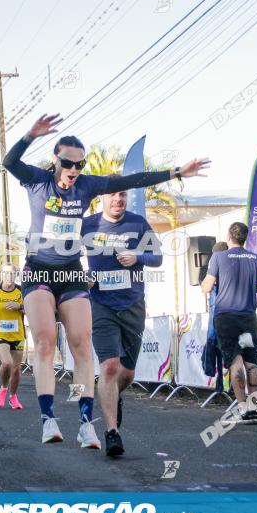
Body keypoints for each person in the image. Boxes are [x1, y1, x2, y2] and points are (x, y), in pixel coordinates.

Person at [4, 113, 209, 446]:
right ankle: (48, 419)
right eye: (68, 164)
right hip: (39, 269)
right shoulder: (37, 180)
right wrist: (30, 134)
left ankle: (86, 423)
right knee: (43, 341)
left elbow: (132, 180)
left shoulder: (88, 185)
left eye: (80, 165)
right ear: (56, 160)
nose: (74, 171)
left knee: (82, 345)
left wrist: (176, 172)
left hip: (71, 271)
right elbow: (9, 161)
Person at [82, 186, 162, 457]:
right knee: (109, 366)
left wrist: (137, 257)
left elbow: (158, 256)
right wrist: (81, 278)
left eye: (123, 195)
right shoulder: (88, 224)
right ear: (101, 197)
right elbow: (65, 257)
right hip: (100, 304)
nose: (118, 199)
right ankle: (111, 433)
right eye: (112, 195)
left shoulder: (137, 223)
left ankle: (114, 397)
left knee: (126, 374)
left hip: (132, 305)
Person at [200, 222, 257, 425]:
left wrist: (210, 283)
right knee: (250, 361)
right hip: (248, 317)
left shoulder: (219, 257)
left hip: (226, 317)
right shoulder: (255, 258)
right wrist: (251, 287)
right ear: (244, 238)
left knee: (235, 361)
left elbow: (207, 287)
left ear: (229, 236)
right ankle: (254, 407)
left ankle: (243, 409)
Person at [0, 264, 26, 410]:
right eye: (6, 273)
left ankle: (13, 397)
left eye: (12, 274)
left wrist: (19, 307)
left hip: (18, 334)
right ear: (1, 275)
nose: (9, 276)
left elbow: (30, 309)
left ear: (15, 275)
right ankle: (3, 389)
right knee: (7, 363)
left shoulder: (22, 291)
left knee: (16, 369)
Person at [202, 242, 229, 382]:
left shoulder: (216, 261)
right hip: (231, 311)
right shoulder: (232, 263)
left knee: (213, 340)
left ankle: (214, 373)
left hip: (218, 309)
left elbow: (206, 286)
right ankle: (220, 382)